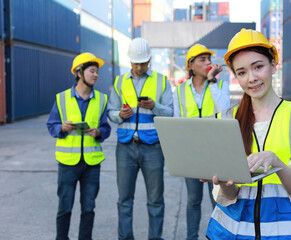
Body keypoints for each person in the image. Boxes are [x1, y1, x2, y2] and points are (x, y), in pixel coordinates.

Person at [205, 28, 291, 239]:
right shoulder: (227, 120)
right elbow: (229, 197)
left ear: (273, 66)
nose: (251, 78)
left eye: (258, 67)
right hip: (235, 233)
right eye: (241, 72)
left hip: (285, 234)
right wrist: (224, 184)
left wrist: (275, 162)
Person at [107, 37, 173, 240]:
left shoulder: (161, 81)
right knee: (124, 200)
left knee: (155, 200)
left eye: (143, 63)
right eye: (135, 63)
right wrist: (120, 115)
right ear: (130, 61)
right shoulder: (119, 82)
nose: (139, 66)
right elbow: (111, 112)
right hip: (125, 147)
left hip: (152, 147)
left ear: (150, 60)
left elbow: (170, 113)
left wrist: (154, 106)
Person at [47, 52, 111, 240]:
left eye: (97, 72)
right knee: (65, 207)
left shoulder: (101, 99)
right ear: (78, 73)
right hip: (68, 164)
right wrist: (62, 127)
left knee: (88, 208)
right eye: (92, 71)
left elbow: (106, 128)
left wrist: (99, 132)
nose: (96, 75)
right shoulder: (61, 98)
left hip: (91, 164)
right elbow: (51, 125)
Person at [173, 43, 230, 240]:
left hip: (215, 153)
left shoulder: (220, 85)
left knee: (218, 200)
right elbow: (177, 122)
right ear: (190, 65)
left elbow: (224, 110)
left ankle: (219, 236)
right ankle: (192, 237)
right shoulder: (180, 91)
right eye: (202, 60)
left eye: (209, 59)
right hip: (192, 155)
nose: (208, 63)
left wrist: (211, 81)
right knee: (193, 201)